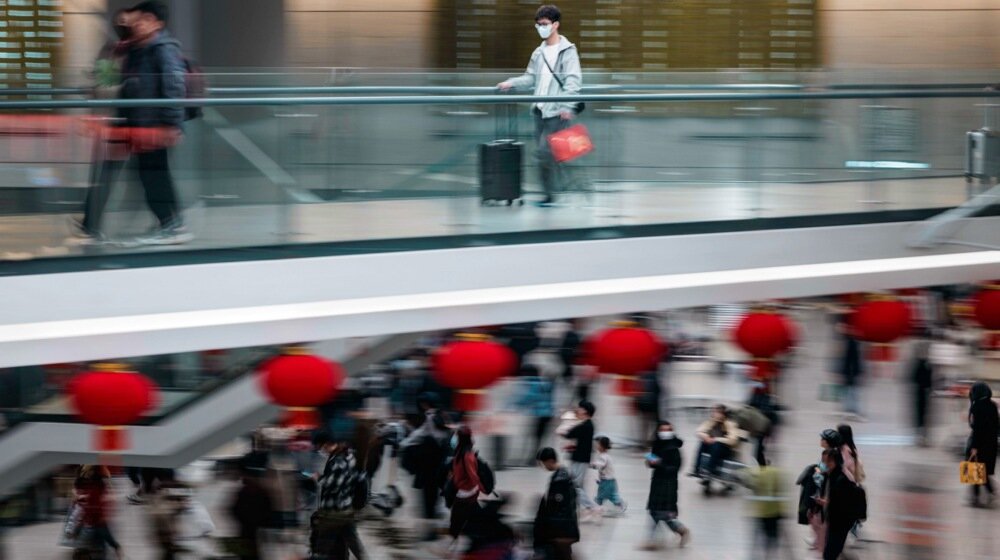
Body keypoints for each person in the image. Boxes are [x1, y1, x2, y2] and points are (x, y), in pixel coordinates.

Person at [79, 0, 191, 245]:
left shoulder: (163, 49)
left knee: (153, 177)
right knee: (114, 173)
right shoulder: (130, 49)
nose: (138, 24)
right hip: (129, 125)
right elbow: (105, 79)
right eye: (136, 19)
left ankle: (171, 224)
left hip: (152, 128)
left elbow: (174, 88)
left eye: (144, 19)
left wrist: (171, 124)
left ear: (158, 24)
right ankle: (90, 226)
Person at [497, 4, 582, 207]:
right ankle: (560, 186)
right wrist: (511, 83)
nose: (541, 28)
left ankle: (550, 194)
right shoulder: (539, 52)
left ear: (556, 25)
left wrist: (567, 106)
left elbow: (573, 80)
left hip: (557, 112)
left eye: (544, 24)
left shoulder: (567, 51)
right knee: (548, 154)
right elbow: (530, 78)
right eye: (538, 24)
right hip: (539, 111)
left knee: (544, 153)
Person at [400, 392, 450, 541]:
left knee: (428, 500)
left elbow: (419, 435)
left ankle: (431, 533)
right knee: (435, 499)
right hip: (441, 465)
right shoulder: (443, 415)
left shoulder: (430, 417)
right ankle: (436, 528)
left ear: (426, 404)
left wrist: (404, 444)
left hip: (429, 467)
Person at [311, 431, 368, 559]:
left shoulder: (338, 461)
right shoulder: (348, 455)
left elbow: (334, 486)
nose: (321, 451)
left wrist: (319, 479)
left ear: (327, 444)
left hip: (334, 511)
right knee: (353, 542)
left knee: (323, 543)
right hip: (345, 508)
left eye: (321, 447)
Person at [642, 421, 690, 550]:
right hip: (657, 483)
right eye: (662, 430)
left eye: (667, 430)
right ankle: (681, 530)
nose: (665, 432)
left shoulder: (674, 448)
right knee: (660, 513)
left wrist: (660, 463)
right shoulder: (657, 445)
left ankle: (651, 540)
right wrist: (651, 461)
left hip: (668, 485)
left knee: (659, 513)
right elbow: (652, 463)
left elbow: (675, 468)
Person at [533, 447, 579, 560]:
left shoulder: (560, 480)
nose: (544, 467)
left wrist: (552, 531)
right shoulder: (564, 474)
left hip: (561, 531)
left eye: (544, 464)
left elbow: (559, 508)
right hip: (565, 528)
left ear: (550, 461)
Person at [817, 449, 863, 560]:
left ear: (833, 462)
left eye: (825, 461)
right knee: (831, 553)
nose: (823, 464)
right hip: (834, 522)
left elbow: (842, 504)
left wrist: (827, 502)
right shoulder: (832, 476)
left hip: (839, 524)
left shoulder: (840, 480)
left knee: (829, 555)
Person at [557, 400, 599, 519]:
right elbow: (578, 440)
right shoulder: (586, 425)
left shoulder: (586, 425)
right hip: (578, 458)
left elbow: (569, 434)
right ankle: (583, 509)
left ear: (585, 411)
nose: (577, 410)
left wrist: (564, 428)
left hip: (581, 460)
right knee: (578, 485)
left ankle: (593, 507)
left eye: (580, 408)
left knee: (574, 485)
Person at [74, 465, 123, 560]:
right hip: (96, 523)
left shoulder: (95, 489)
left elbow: (91, 508)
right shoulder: (97, 488)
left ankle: (115, 548)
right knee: (101, 543)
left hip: (96, 523)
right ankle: (115, 548)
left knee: (100, 543)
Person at [229, 459, 274, 560]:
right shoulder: (260, 490)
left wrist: (241, 520)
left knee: (246, 552)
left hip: (247, 528)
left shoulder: (245, 491)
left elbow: (233, 509)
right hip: (256, 528)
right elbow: (269, 509)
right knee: (255, 551)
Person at [513, 365, 555, 465]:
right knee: (538, 438)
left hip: (541, 415)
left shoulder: (536, 384)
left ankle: (533, 459)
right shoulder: (546, 383)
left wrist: (518, 405)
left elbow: (530, 397)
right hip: (548, 414)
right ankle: (534, 458)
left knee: (535, 438)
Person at [449, 426, 484, 539]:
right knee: (465, 516)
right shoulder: (460, 452)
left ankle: (455, 541)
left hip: (467, 491)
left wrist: (482, 488)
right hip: (463, 490)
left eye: (457, 436)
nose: (454, 438)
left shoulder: (467, 455)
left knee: (457, 519)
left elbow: (472, 475)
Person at [966, 381, 998, 507]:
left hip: (979, 444)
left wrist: (974, 446)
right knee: (982, 472)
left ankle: (978, 497)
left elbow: (978, 428)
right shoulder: (992, 405)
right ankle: (988, 494)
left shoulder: (977, 406)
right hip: (991, 444)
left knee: (976, 472)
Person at [693, 404, 741, 480]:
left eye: (716, 412)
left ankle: (710, 470)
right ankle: (696, 469)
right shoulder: (711, 421)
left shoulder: (730, 424)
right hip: (713, 447)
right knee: (702, 443)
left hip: (725, 450)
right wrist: (706, 436)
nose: (713, 414)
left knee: (717, 444)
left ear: (723, 414)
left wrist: (716, 439)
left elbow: (732, 440)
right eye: (713, 412)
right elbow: (698, 431)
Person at [837, 316, 866, 421]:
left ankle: (851, 410)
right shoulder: (851, 341)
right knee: (851, 391)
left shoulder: (851, 342)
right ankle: (851, 409)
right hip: (851, 370)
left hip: (850, 371)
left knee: (851, 391)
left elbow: (852, 359)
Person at [909, 335, 935, 446]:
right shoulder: (923, 364)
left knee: (922, 415)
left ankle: (922, 435)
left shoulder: (922, 363)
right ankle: (921, 435)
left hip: (921, 393)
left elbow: (913, 378)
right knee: (921, 415)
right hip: (921, 393)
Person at [590, 436, 626, 515]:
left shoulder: (603, 457)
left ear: (602, 447)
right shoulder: (606, 456)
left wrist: (592, 465)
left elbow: (600, 465)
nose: (597, 446)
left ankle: (597, 506)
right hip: (610, 480)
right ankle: (619, 503)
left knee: (601, 496)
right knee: (611, 495)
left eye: (598, 445)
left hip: (606, 481)